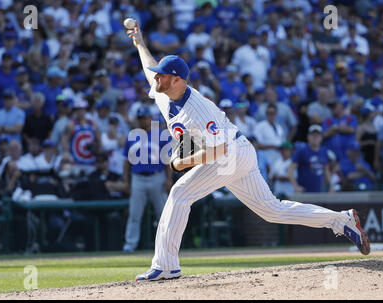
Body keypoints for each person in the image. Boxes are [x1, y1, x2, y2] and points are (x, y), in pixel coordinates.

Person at [127, 22, 370, 281]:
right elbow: (147, 67)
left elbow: (219, 150)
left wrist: (182, 163)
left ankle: (166, 265)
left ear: (177, 79)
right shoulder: (165, 92)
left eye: (162, 75)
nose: (156, 78)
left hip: (230, 154)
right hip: (239, 151)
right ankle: (340, 221)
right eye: (158, 74)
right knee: (271, 210)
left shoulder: (198, 108)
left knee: (179, 193)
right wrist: (140, 42)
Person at [122, 106, 172, 253]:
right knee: (134, 214)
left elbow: (167, 160)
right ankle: (130, 245)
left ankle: (168, 245)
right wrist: (127, 181)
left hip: (157, 176)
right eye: (141, 118)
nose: (144, 120)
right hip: (138, 178)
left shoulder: (160, 135)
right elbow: (126, 162)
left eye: (145, 117)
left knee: (163, 214)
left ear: (151, 118)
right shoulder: (132, 136)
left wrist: (168, 179)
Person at [288, 125, 334, 193]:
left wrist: (331, 186)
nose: (315, 137)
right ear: (308, 136)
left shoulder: (324, 151)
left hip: (319, 191)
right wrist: (296, 186)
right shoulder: (302, 150)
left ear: (321, 137)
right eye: (313, 135)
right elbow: (290, 169)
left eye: (317, 135)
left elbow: (326, 170)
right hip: (304, 192)